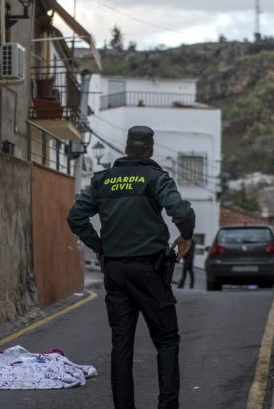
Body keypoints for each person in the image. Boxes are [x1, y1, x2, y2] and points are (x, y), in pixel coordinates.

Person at [67, 126, 196, 409]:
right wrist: (186, 235)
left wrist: (98, 245)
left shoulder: (103, 180)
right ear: (150, 150)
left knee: (121, 346)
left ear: (126, 149)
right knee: (166, 340)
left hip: (115, 272)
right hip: (150, 271)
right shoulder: (155, 178)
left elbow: (76, 217)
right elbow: (182, 212)